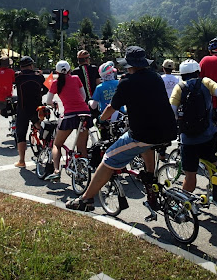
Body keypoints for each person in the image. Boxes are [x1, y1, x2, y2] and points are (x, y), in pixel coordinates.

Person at [65, 46, 177, 212]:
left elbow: (112, 107)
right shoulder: (156, 77)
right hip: (168, 131)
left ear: (129, 65)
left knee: (108, 158)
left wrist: (100, 119)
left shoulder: (127, 82)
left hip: (142, 134)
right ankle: (150, 180)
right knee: (147, 147)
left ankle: (86, 199)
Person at [169, 59, 217, 192]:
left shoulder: (180, 87)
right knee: (213, 166)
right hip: (208, 135)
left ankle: (186, 200)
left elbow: (172, 109)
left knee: (190, 176)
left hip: (188, 139)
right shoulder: (206, 82)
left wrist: (179, 120)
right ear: (197, 71)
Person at [45, 60, 93, 181]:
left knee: (57, 144)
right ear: (69, 70)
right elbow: (83, 97)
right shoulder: (76, 78)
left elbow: (48, 101)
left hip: (70, 115)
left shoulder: (55, 83)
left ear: (57, 72)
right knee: (82, 146)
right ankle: (82, 171)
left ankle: (56, 170)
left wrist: (54, 104)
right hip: (85, 113)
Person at [13, 56, 48, 168]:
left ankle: (21, 161)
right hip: (36, 108)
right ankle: (48, 145)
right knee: (39, 126)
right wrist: (39, 94)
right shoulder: (39, 76)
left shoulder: (18, 76)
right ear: (31, 65)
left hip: (23, 109)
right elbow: (47, 88)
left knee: (21, 134)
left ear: (21, 66)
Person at [88, 61, 122, 140]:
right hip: (120, 115)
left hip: (106, 116)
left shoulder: (99, 87)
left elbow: (93, 106)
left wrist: (89, 102)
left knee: (98, 124)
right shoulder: (119, 83)